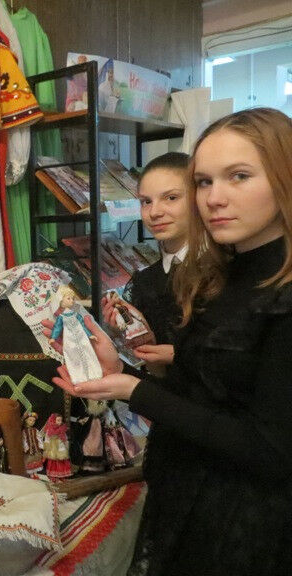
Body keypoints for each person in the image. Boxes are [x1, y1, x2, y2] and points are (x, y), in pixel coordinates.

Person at [52, 108, 292, 575]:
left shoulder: (282, 294)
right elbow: (200, 395)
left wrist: (134, 389)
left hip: (251, 528)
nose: (215, 198)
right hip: (190, 500)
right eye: (204, 181)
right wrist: (123, 373)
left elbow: (271, 450)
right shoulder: (222, 276)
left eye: (239, 176)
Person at [102, 152, 190, 373]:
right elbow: (159, 375)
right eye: (146, 202)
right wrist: (144, 338)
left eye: (171, 198)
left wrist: (178, 354)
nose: (155, 212)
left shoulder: (225, 270)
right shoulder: (145, 282)